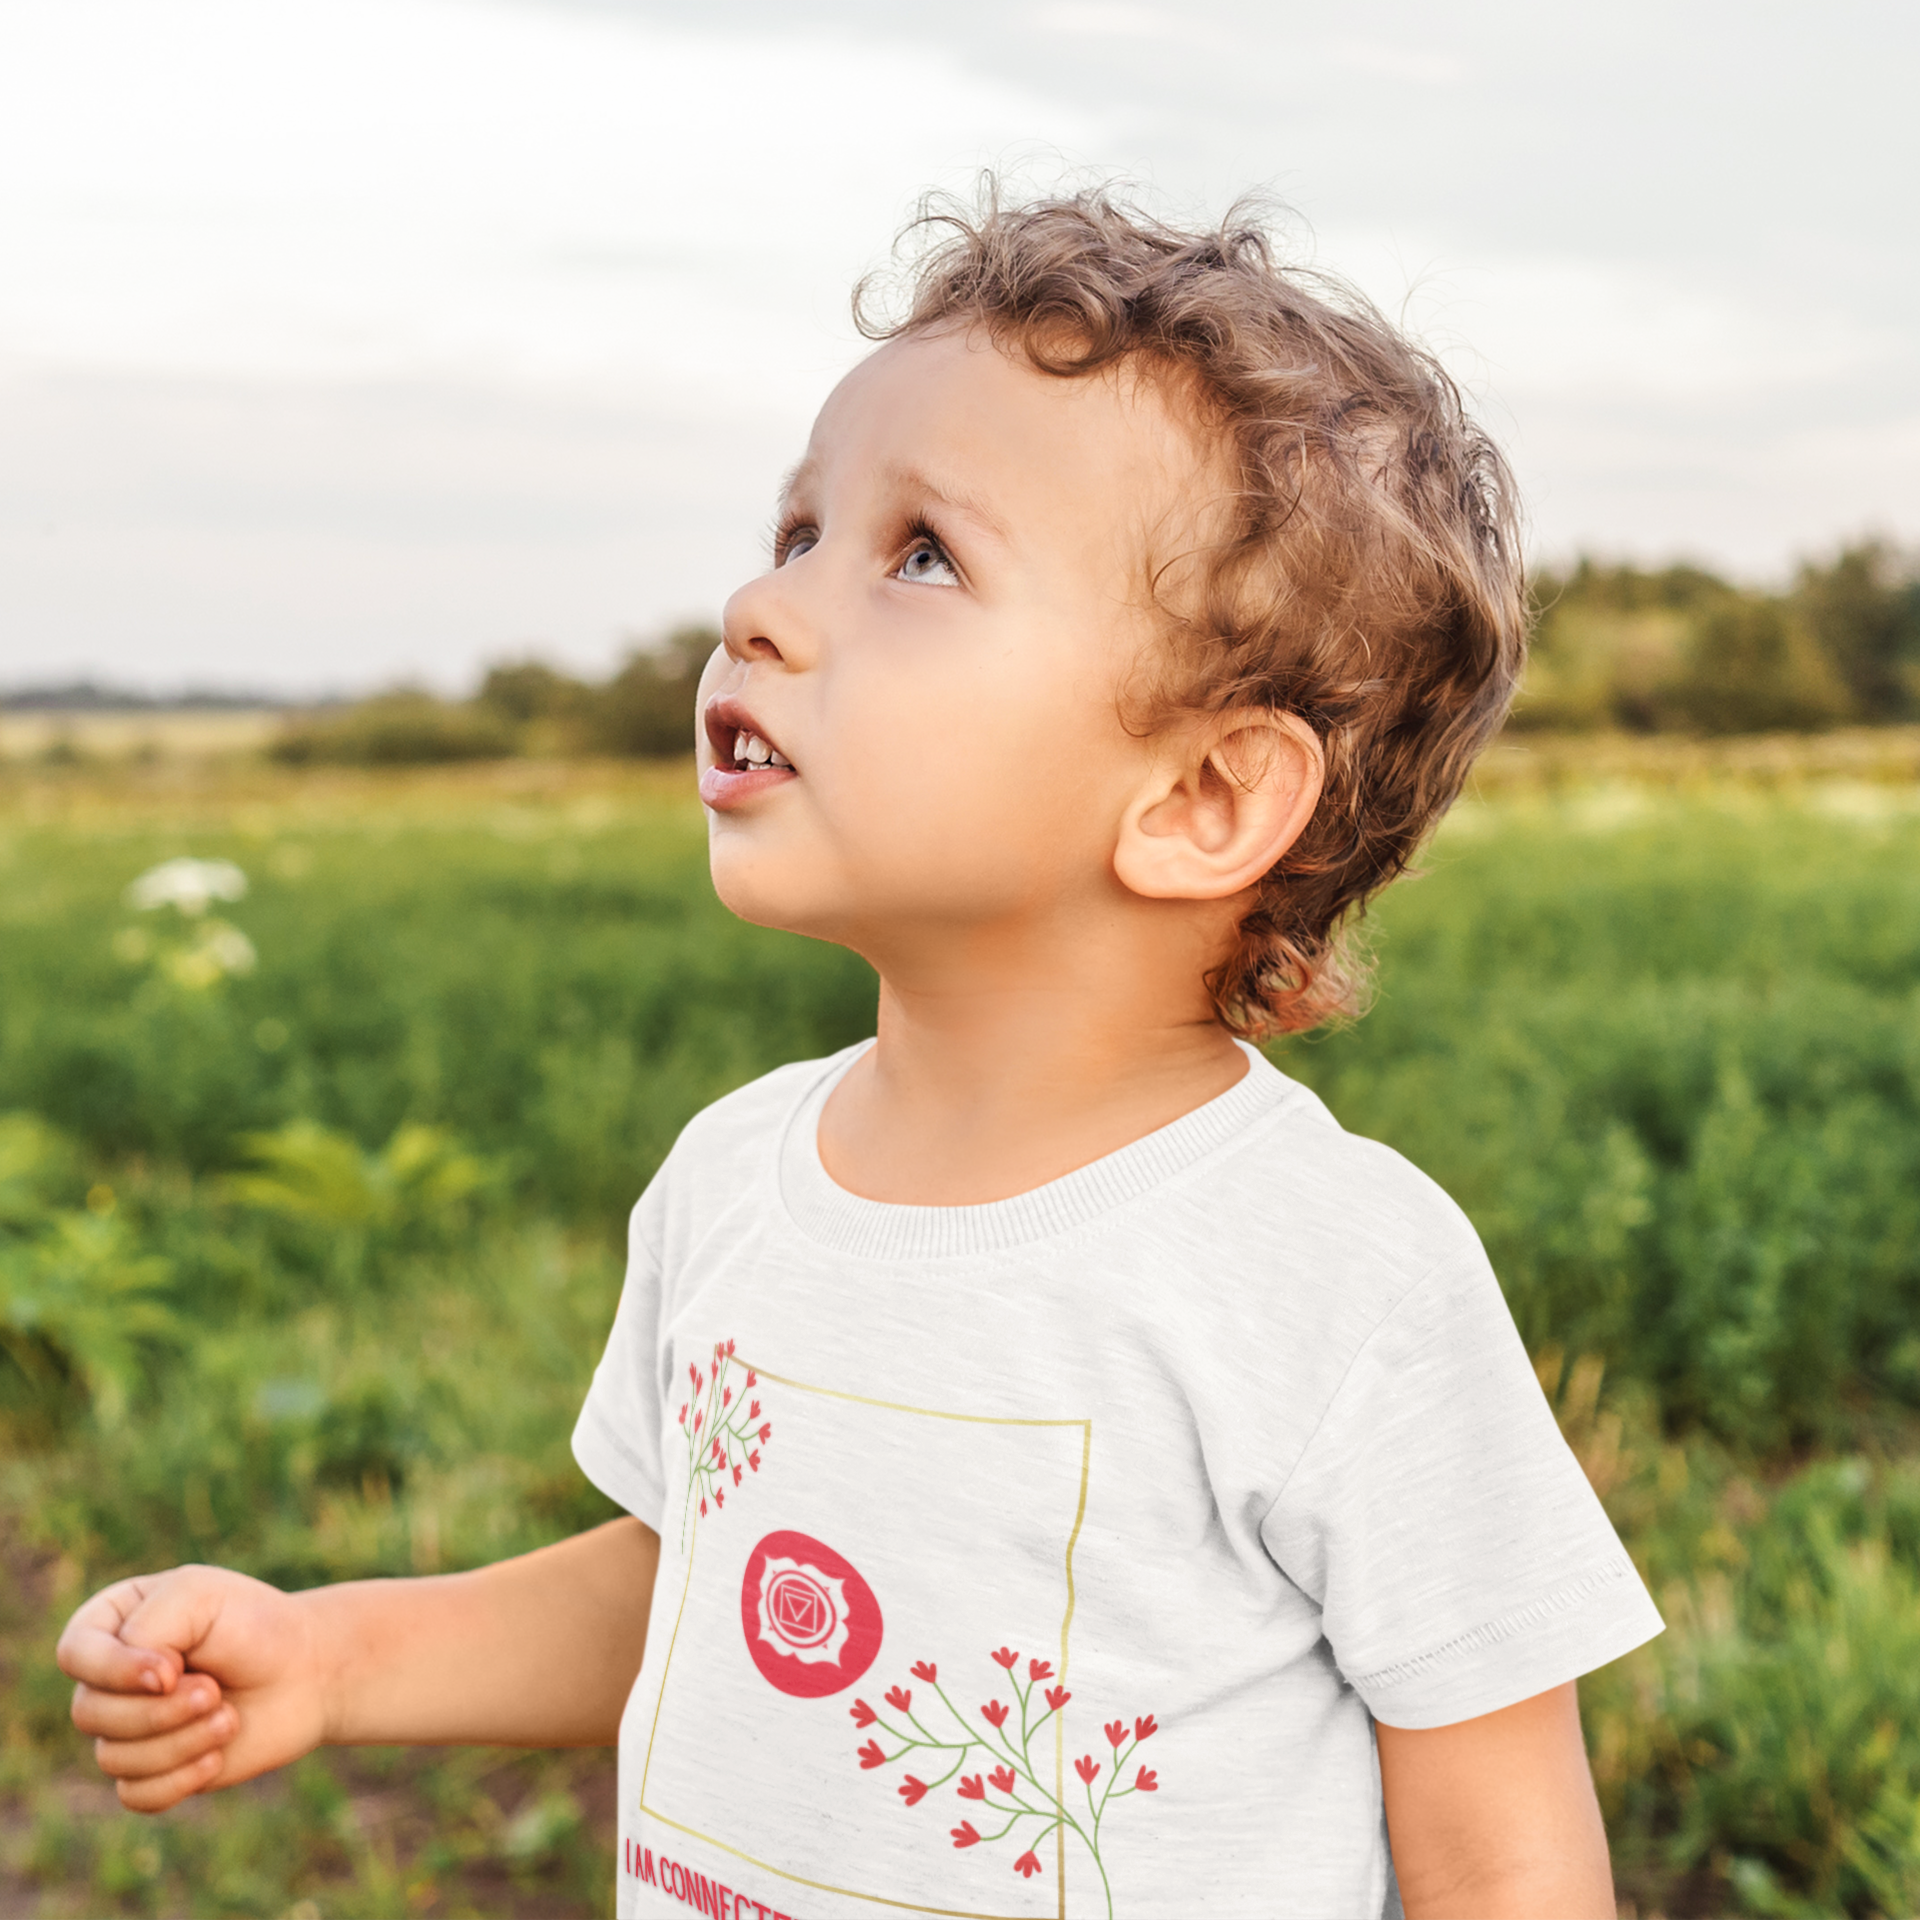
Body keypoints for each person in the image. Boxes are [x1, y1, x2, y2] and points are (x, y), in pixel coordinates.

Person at [57, 187, 1661, 1919]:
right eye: (797, 527)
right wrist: (334, 1656)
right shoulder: (735, 1175)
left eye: (919, 556)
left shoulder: (1340, 1276)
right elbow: (688, 1593)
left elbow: (1502, 1841)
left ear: (1200, 797)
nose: (760, 602)